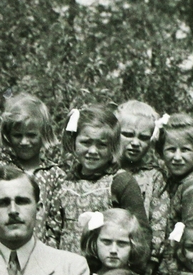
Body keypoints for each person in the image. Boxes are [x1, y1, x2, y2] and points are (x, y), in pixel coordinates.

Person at [49, 104, 147, 251]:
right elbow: (53, 228)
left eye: (102, 145)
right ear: (74, 142)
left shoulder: (120, 182)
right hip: (67, 267)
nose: (93, 151)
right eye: (86, 142)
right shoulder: (65, 181)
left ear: (113, 147)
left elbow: (140, 231)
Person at [0, 93, 67, 250]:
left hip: (43, 254)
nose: (24, 142)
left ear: (43, 134)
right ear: (8, 136)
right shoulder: (0, 170)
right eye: (17, 135)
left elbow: (55, 221)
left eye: (31, 135)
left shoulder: (54, 175)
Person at [117, 100, 169, 249]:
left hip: (138, 255)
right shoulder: (105, 171)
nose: (135, 143)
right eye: (128, 135)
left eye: (143, 137)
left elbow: (159, 224)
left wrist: (150, 260)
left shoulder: (154, 177)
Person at [159, 113, 193, 225]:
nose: (177, 157)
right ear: (161, 152)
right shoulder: (174, 181)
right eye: (171, 149)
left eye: (185, 150)